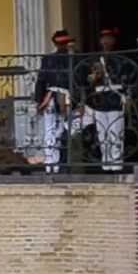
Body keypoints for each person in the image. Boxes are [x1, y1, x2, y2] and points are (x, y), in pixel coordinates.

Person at [83, 28, 137, 172]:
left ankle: (116, 163)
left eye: (108, 38)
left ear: (113, 41)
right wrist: (94, 77)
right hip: (99, 99)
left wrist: (128, 96)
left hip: (115, 98)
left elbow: (129, 79)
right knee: (102, 133)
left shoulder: (121, 59)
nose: (105, 41)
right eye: (103, 39)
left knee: (116, 132)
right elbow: (88, 82)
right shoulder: (95, 59)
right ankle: (106, 163)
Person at [34, 30, 77, 174]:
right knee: (51, 131)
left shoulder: (73, 58)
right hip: (52, 97)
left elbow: (77, 79)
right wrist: (39, 100)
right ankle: (52, 164)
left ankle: (57, 163)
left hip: (68, 98)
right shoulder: (48, 59)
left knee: (62, 130)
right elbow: (41, 80)